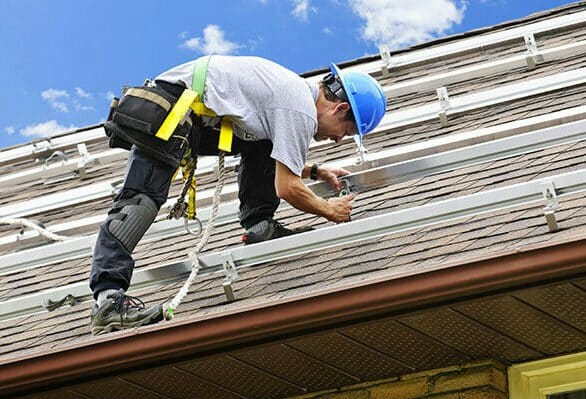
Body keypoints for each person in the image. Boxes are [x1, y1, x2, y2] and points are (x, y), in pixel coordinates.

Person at [89, 55, 386, 335]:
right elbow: (288, 188)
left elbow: (277, 154)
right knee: (139, 204)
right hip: (172, 109)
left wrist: (314, 170)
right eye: (345, 133)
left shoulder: (293, 94)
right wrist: (329, 210)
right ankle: (108, 301)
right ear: (340, 109)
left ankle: (260, 226)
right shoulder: (300, 109)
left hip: (190, 112)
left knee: (263, 143)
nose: (336, 139)